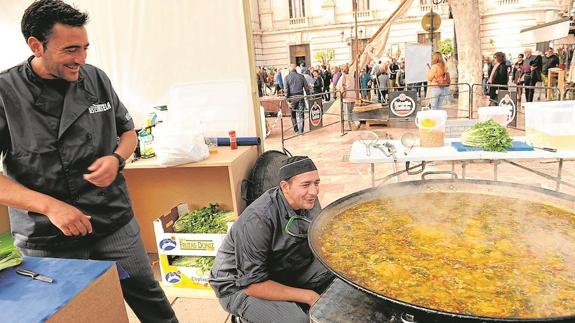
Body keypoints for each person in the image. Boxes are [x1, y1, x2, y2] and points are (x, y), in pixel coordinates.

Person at [0, 1, 178, 322]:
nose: (81, 59)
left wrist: (116, 158)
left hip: (112, 220)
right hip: (48, 235)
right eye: (70, 50)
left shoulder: (95, 79)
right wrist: (51, 207)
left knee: (148, 295)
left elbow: (128, 133)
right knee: (72, 311)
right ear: (36, 45)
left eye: (85, 48)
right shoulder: (5, 94)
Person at [209, 156, 335, 323]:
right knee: (298, 320)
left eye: (316, 183)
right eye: (305, 185)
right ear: (285, 186)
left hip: (278, 267)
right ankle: (245, 318)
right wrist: (309, 297)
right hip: (239, 286)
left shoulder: (307, 200)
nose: (314, 191)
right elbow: (252, 285)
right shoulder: (257, 219)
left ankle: (285, 300)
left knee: (336, 269)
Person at [285, 63, 310, 134]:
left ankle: (296, 130)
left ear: (289, 69)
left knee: (293, 115)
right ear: (295, 68)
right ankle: (301, 130)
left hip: (292, 98)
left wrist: (287, 100)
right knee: (301, 114)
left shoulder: (286, 77)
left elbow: (286, 90)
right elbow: (306, 88)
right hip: (300, 97)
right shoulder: (301, 76)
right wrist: (308, 96)